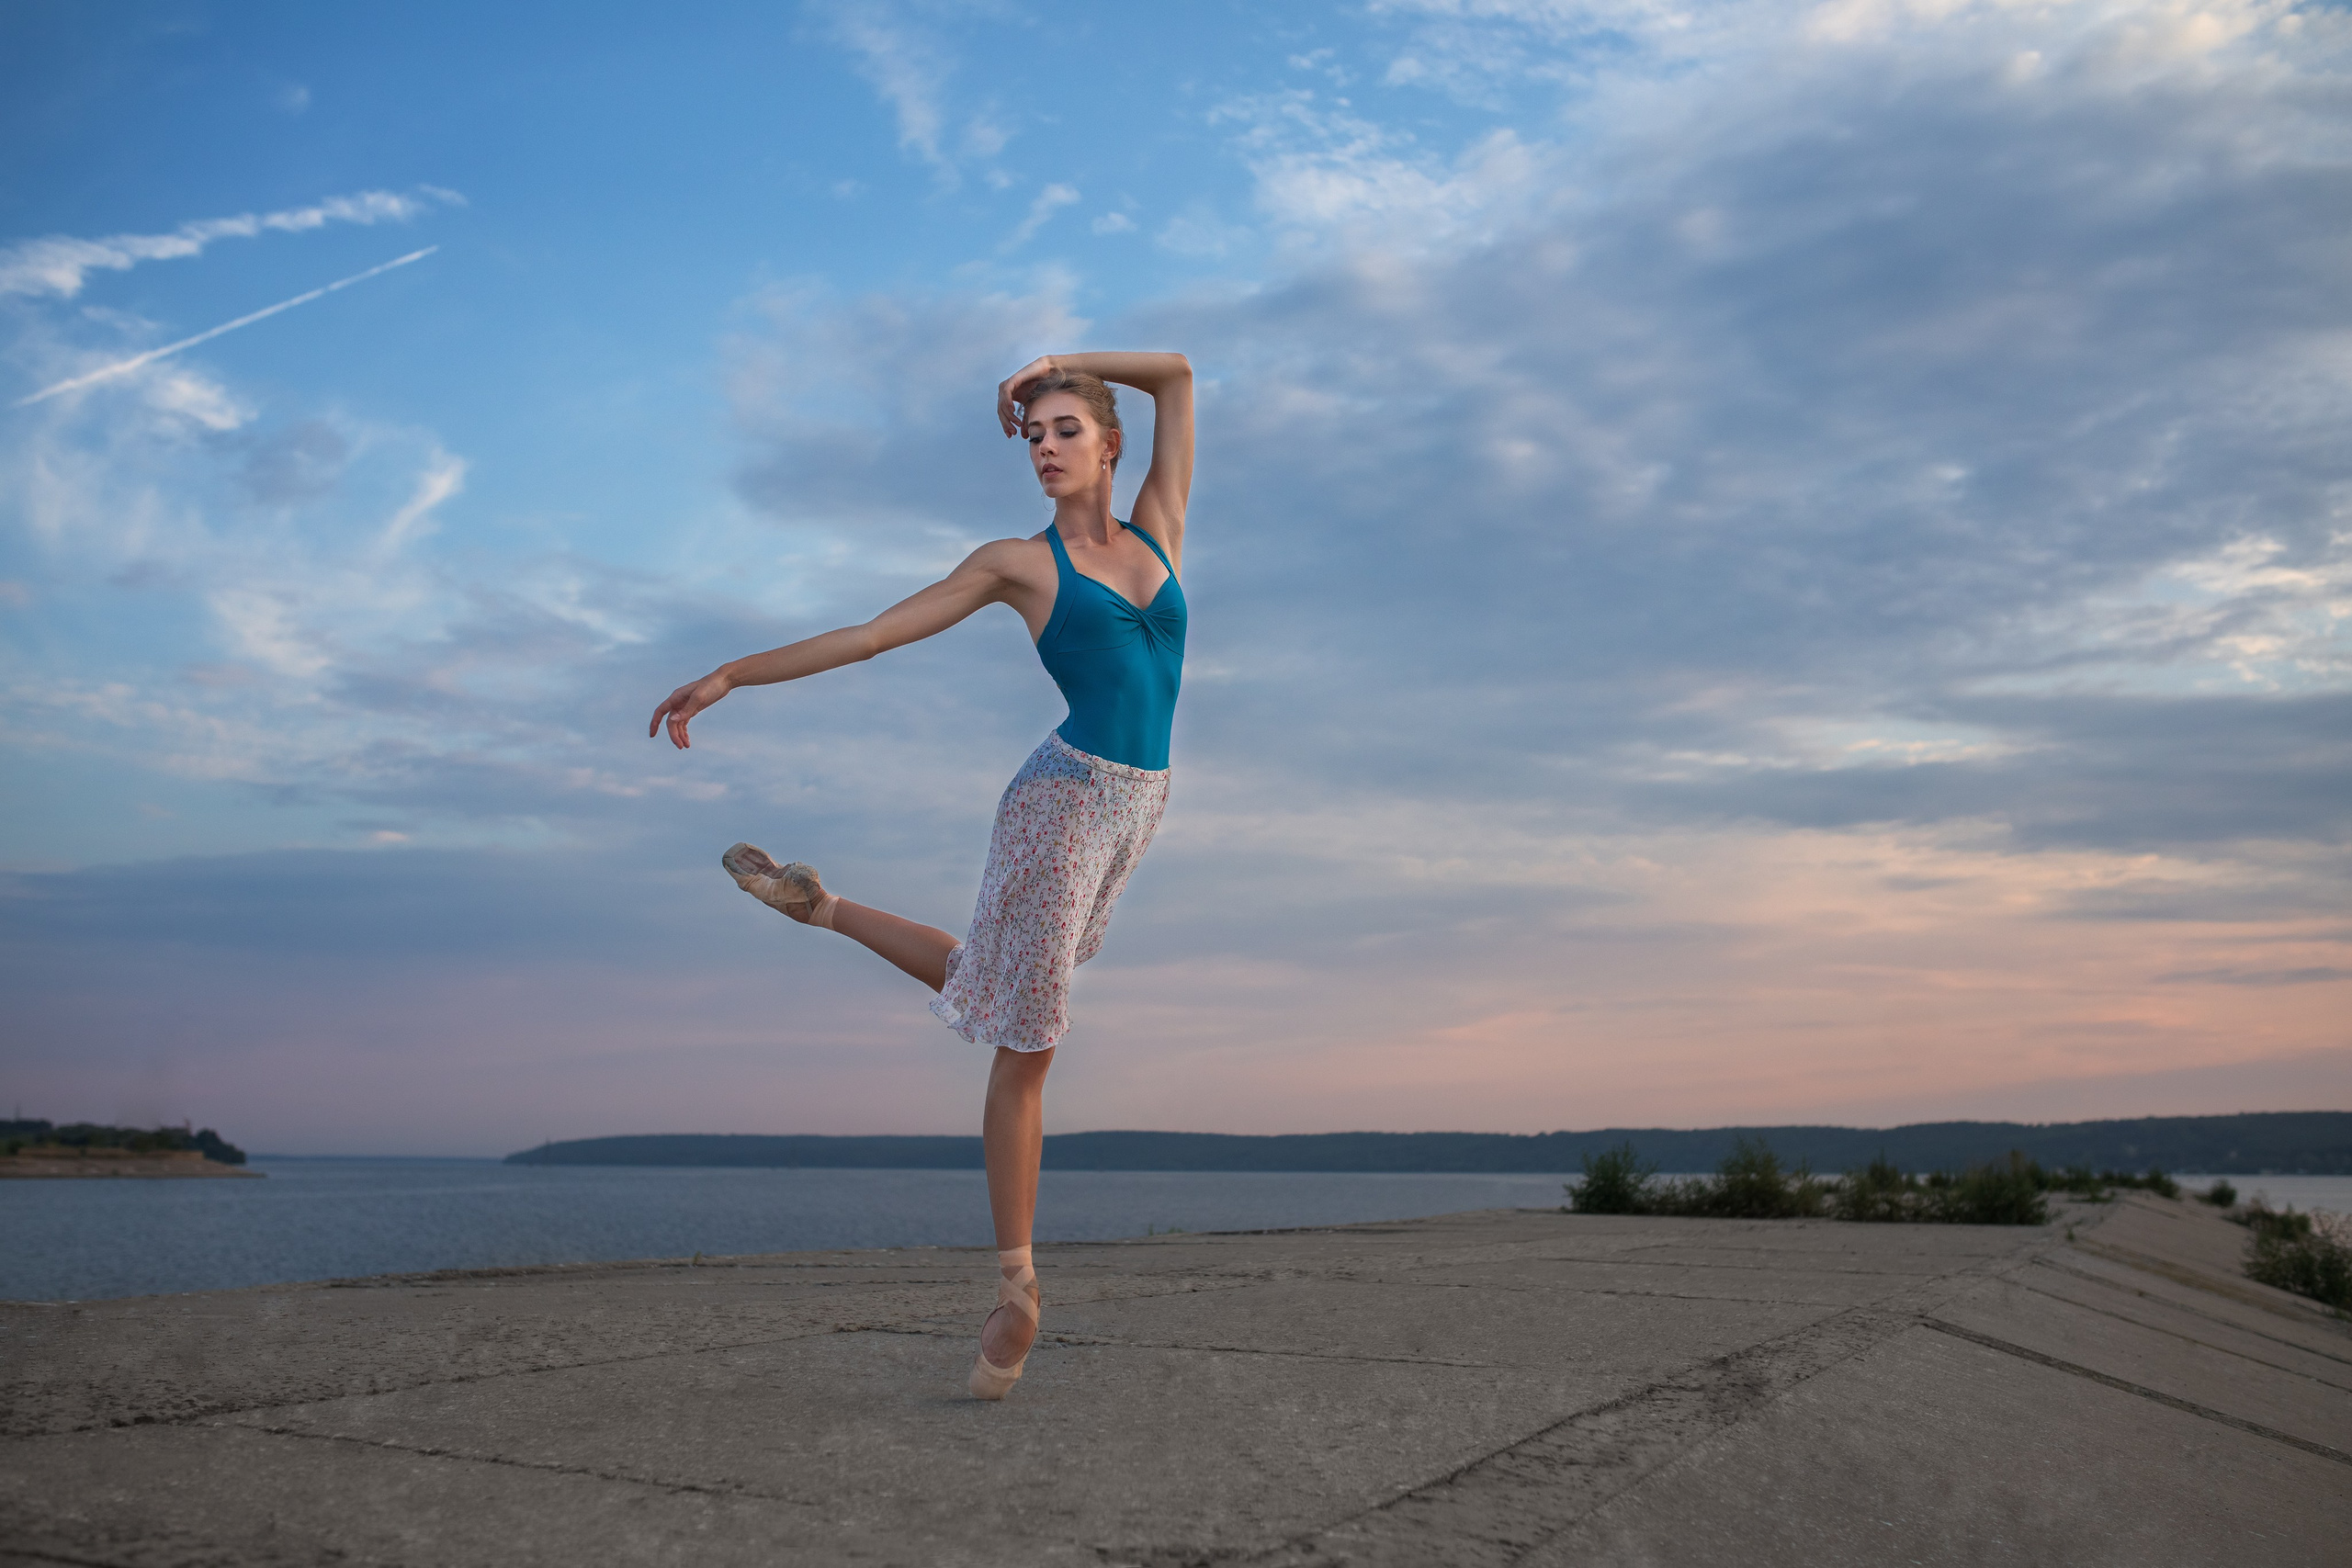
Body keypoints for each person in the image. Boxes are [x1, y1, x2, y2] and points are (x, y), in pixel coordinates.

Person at [649, 351, 1193, 1400]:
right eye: (1033, 433)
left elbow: (1172, 375)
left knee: (997, 982)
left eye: (1065, 428)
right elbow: (871, 636)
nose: (1044, 446)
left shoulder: (1159, 530)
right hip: (1064, 802)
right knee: (1027, 1039)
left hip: (1140, 809)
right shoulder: (1016, 565)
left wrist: (1052, 363)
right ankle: (1017, 1291)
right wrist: (731, 673)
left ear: (1109, 443)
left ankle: (827, 908)